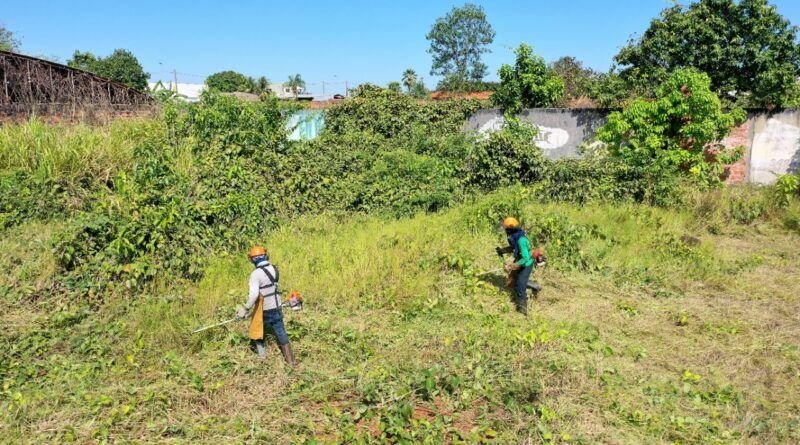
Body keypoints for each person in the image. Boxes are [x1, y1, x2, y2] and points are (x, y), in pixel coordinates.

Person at [236, 246, 296, 366]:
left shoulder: (255, 274)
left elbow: (254, 295)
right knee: (281, 332)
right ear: (265, 256)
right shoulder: (274, 268)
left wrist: (245, 309)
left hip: (263, 309)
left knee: (256, 330)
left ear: (253, 260)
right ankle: (291, 362)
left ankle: (263, 359)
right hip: (277, 306)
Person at [495, 217, 537, 315]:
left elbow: (526, 258)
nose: (505, 231)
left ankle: (522, 309)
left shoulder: (521, 240)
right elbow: (513, 248)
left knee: (520, 286)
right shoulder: (515, 237)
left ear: (510, 229)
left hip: (526, 264)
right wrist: (502, 250)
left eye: (506, 229)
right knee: (512, 282)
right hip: (520, 261)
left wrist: (512, 266)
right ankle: (535, 286)